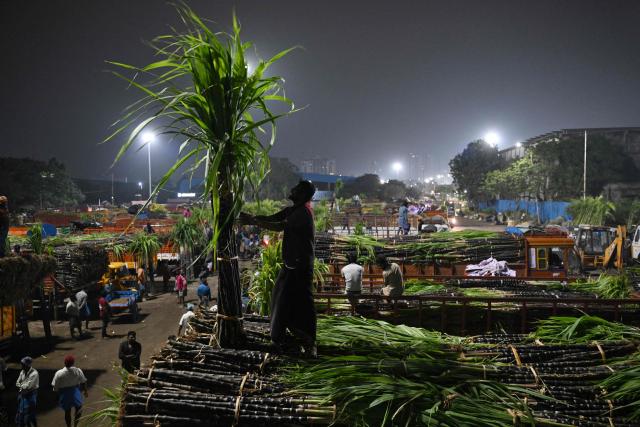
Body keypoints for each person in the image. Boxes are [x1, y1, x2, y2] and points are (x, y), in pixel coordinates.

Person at [240, 180, 317, 357]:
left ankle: (307, 341)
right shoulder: (295, 210)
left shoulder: (302, 214)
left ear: (303, 194)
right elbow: (276, 217)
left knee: (299, 303)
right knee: (281, 299)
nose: (292, 188)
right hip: (292, 265)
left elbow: (279, 226)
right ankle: (283, 336)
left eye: (297, 188)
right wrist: (253, 218)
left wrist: (252, 221)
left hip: (299, 268)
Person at [51, 355, 87, 427]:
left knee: (67, 411)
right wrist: (85, 391)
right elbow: (83, 381)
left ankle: (69, 426)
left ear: (64, 363)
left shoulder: (59, 373)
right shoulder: (78, 370)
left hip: (64, 393)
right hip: (75, 391)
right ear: (73, 363)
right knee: (79, 409)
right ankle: (75, 425)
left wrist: (57, 395)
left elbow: (55, 386)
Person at [15, 356, 38, 427]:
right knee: (22, 414)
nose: (21, 366)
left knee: (30, 415)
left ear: (27, 365)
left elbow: (29, 386)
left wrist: (22, 385)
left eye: (23, 364)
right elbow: (17, 383)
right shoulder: (22, 372)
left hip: (31, 395)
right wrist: (23, 386)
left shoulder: (34, 373)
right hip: (22, 394)